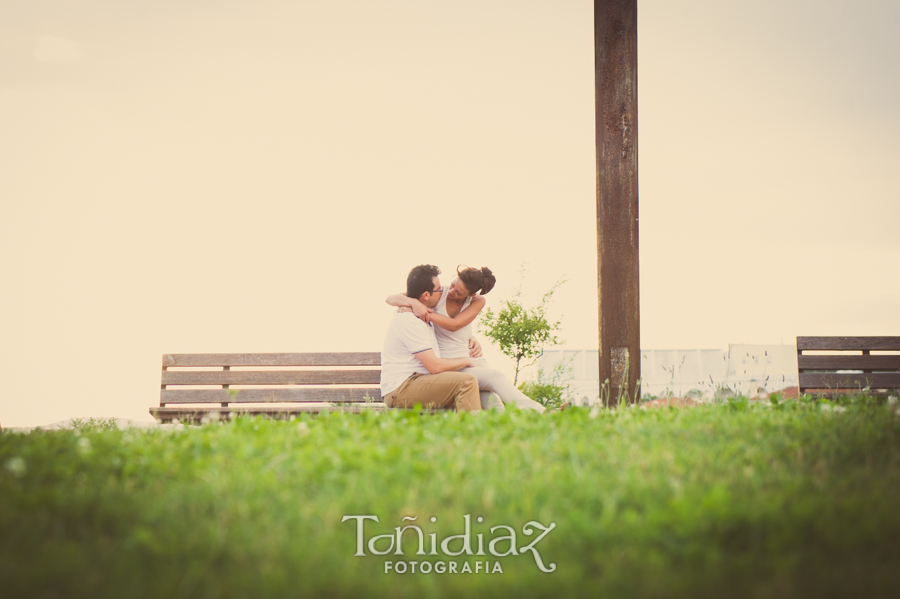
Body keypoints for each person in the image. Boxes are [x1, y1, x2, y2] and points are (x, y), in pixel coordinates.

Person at [386, 265, 546, 413]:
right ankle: (538, 413)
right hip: (449, 365)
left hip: (466, 360)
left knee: (489, 396)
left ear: (471, 294)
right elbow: (392, 298)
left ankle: (508, 428)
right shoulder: (436, 296)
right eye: (453, 285)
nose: (449, 292)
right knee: (491, 378)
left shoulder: (473, 301)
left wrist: (471, 337)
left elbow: (455, 325)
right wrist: (413, 302)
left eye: (458, 292)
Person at [380, 264, 483, 412]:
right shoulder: (409, 319)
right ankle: (475, 433)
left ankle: (481, 429)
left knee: (473, 393)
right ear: (426, 295)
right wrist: (467, 360)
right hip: (402, 388)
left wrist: (471, 338)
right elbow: (434, 366)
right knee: (467, 382)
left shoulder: (423, 315)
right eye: (439, 290)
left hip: (419, 382)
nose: (444, 293)